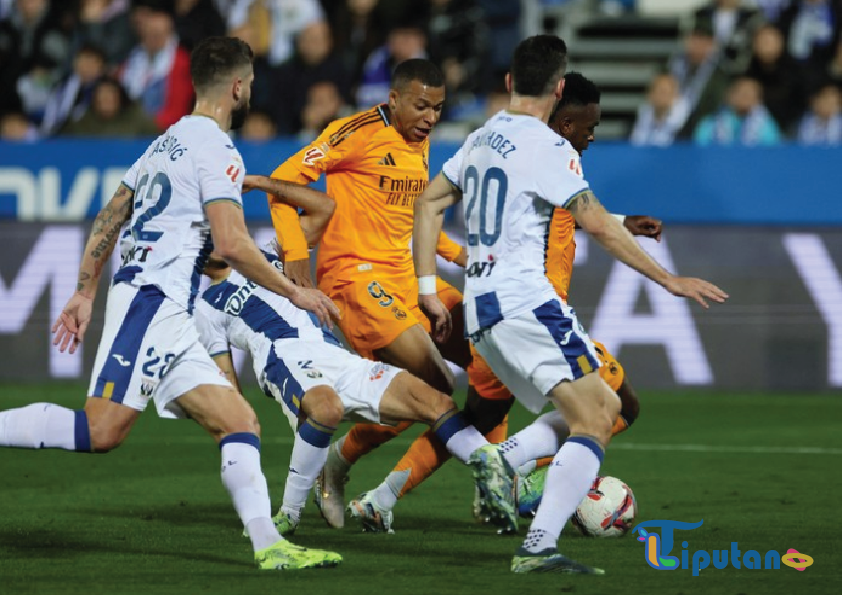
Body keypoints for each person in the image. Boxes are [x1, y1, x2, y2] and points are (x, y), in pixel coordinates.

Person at [0, 36, 343, 572]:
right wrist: (295, 290)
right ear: (235, 86)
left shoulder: (166, 142)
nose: (250, 90)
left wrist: (87, 289)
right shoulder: (220, 150)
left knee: (239, 422)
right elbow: (231, 243)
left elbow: (111, 214)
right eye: (249, 83)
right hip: (152, 301)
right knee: (100, 431)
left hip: (168, 309)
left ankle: (270, 547)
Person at [413, 35, 727, 574]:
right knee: (603, 414)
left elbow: (429, 201)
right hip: (525, 301)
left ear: (511, 82)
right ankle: (536, 544)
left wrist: (425, 287)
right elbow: (596, 223)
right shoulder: (550, 146)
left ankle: (501, 465)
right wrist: (667, 279)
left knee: (591, 409)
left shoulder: (482, 136)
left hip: (482, 306)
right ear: (559, 89)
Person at [349, 72, 659, 532]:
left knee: (475, 419)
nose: (592, 135)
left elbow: (567, 213)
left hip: (500, 316)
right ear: (564, 119)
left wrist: (621, 220)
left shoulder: (524, 155)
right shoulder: (548, 157)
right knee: (619, 404)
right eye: (588, 126)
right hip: (531, 318)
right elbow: (572, 214)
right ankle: (512, 477)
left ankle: (381, 498)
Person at [267, 58, 518, 531]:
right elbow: (282, 183)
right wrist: (296, 252)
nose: (431, 117)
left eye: (439, 108)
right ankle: (342, 464)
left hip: (406, 274)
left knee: (493, 363)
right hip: (356, 278)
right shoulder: (356, 132)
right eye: (422, 106)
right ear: (394, 99)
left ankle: (345, 460)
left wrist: (461, 257)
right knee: (435, 386)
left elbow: (407, 219)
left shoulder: (419, 144)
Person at [194, 174, 512, 538]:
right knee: (326, 408)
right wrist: (239, 428)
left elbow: (324, 207)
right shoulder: (206, 307)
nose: (218, 237)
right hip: (286, 361)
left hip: (338, 358)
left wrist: (266, 184)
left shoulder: (272, 252)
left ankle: (490, 462)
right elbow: (226, 380)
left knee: (435, 399)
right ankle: (288, 514)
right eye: (208, 236)